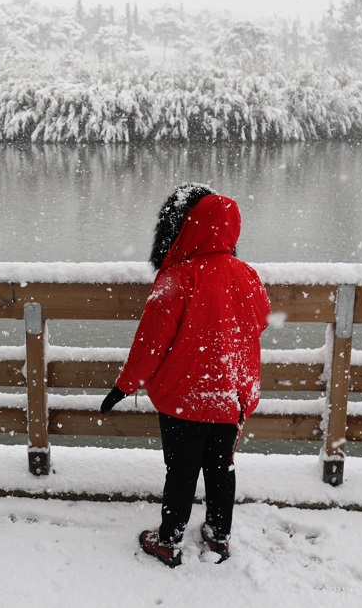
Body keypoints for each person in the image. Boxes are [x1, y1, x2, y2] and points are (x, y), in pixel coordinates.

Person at [100, 183, 270, 567]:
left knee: (181, 471)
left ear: (186, 226)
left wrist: (124, 387)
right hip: (231, 397)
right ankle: (218, 536)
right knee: (221, 467)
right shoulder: (248, 275)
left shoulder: (177, 278)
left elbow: (150, 345)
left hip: (183, 400)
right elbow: (259, 321)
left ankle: (168, 540)